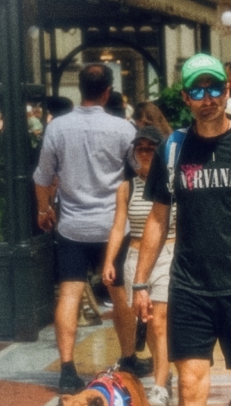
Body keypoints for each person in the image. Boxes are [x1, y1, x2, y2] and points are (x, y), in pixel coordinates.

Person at [132, 53, 231, 406]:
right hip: (189, 288)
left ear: (227, 91)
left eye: (215, 88)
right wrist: (141, 282)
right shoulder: (173, 148)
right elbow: (158, 218)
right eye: (197, 91)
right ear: (186, 98)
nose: (208, 99)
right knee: (189, 386)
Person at [33, 64, 138, 394]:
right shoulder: (123, 129)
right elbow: (138, 169)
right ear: (107, 92)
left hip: (73, 226)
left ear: (80, 89)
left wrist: (44, 209)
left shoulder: (57, 127)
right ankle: (130, 357)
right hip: (112, 226)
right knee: (119, 293)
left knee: (70, 293)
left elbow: (42, 176)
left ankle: (67, 368)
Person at [102, 126, 174, 405]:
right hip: (135, 256)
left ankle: (160, 385)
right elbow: (118, 226)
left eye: (150, 148)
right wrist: (110, 261)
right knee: (146, 319)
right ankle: (163, 370)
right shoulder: (127, 187)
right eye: (140, 148)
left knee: (159, 322)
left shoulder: (172, 183)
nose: (145, 153)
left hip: (167, 253)